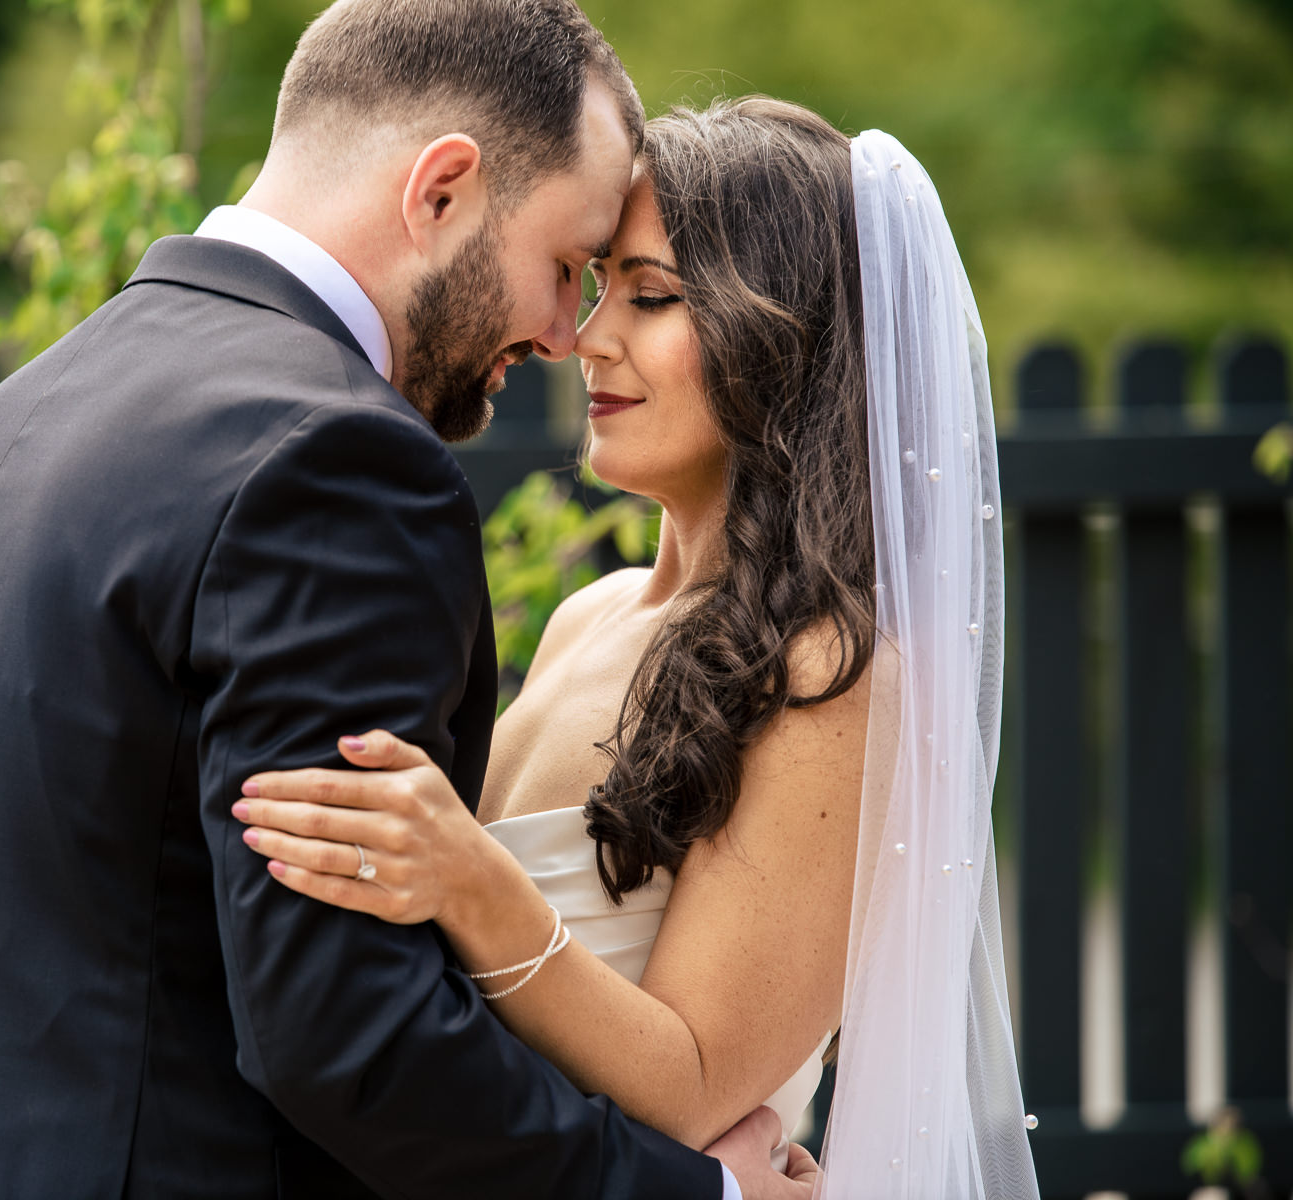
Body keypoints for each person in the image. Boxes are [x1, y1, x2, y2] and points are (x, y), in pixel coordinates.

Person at [0, 4, 812, 1199]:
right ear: (443, 189)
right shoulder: (336, 464)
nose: (564, 335)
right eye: (564, 269)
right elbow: (343, 1034)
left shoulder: (15, 417)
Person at [235, 97, 1043, 1200]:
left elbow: (698, 1082)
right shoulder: (590, 616)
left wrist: (473, 881)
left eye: (653, 295)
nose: (585, 335)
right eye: (598, 281)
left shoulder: (831, 679)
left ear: (783, 336)